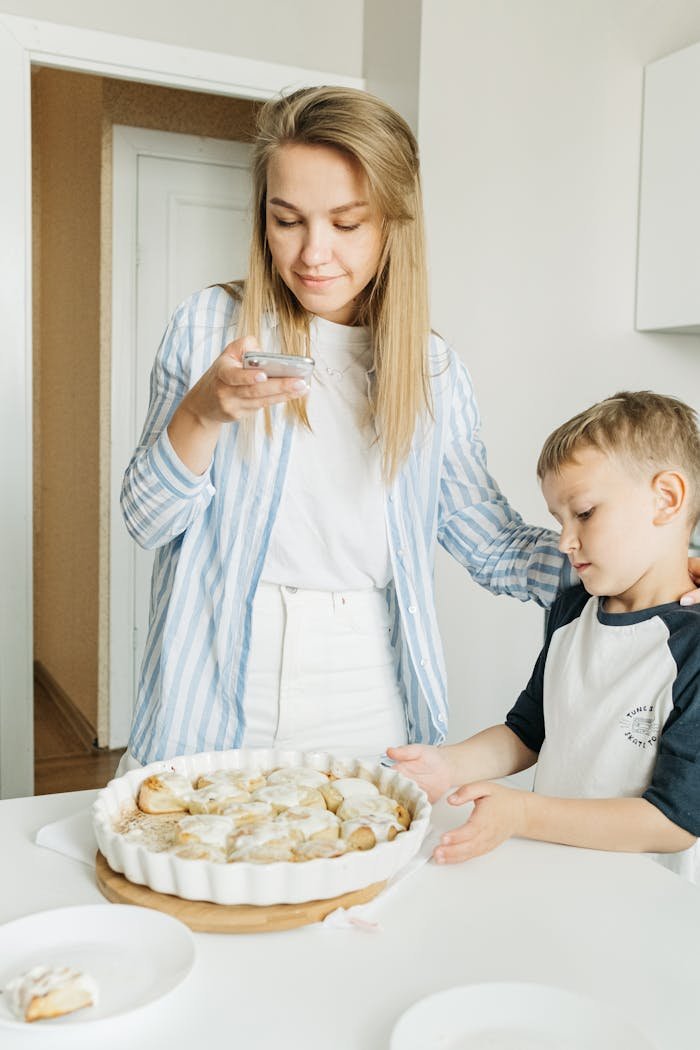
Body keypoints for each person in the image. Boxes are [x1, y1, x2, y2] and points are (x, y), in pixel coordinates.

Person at [119, 86, 700, 772]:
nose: (313, 253)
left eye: (346, 223)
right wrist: (203, 413)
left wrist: (660, 563)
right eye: (287, 220)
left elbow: (493, 544)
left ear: (393, 222)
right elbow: (145, 521)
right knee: (189, 862)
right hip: (217, 674)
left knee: (367, 866)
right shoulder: (207, 328)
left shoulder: (431, 371)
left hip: (364, 679)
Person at [389, 391, 700, 880]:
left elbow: (674, 820)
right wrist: (448, 766)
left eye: (584, 513)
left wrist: (523, 814)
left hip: (645, 902)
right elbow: (527, 731)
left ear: (667, 498)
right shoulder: (571, 609)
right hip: (557, 875)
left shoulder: (692, 648)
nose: (564, 541)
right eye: (559, 520)